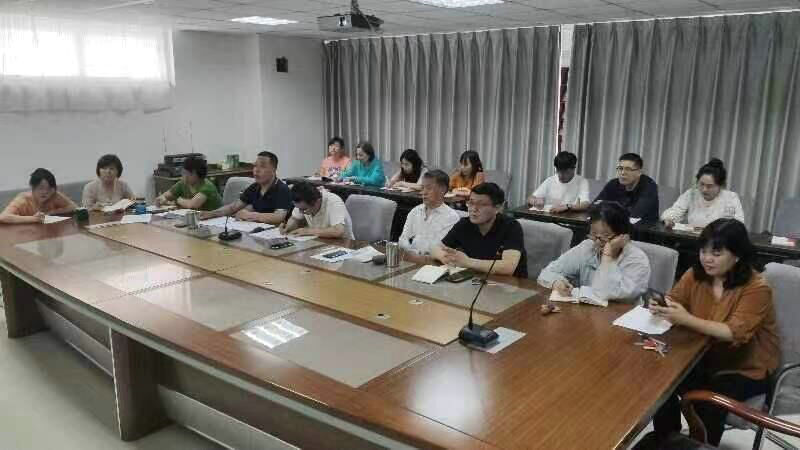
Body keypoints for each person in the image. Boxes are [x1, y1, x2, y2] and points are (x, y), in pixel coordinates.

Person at [635, 219, 779, 449]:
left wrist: (685, 319)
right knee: (661, 380)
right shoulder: (696, 274)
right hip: (705, 355)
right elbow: (675, 298)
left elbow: (733, 332)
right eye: (703, 251)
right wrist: (662, 305)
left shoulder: (757, 288)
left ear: (737, 255)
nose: (706, 258)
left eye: (716, 253)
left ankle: (702, 445)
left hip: (745, 367)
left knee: (710, 398)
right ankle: (668, 438)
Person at [538, 202, 650, 303]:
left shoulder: (637, 260)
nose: (597, 242)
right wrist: (556, 282)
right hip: (588, 314)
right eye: (593, 235)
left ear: (623, 236)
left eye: (604, 237)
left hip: (622, 316)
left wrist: (607, 256)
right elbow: (547, 272)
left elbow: (605, 292)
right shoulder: (588, 246)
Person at [432, 182, 527, 277]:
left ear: (497, 208)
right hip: (476, 280)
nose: (474, 209)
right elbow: (435, 249)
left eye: (481, 205)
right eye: (471, 203)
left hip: (510, 283)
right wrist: (446, 258)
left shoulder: (511, 226)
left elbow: (508, 267)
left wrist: (468, 262)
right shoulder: (464, 224)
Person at [199, 151, 291, 225]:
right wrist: (212, 214)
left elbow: (279, 217)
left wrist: (250, 215)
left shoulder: (282, 189)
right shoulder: (254, 187)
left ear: (274, 170)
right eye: (255, 166)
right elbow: (233, 207)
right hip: (257, 230)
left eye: (262, 166)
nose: (256, 170)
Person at [399, 170, 460, 264]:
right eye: (423, 188)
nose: (424, 192)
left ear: (442, 190)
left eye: (428, 188)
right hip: (410, 260)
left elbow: (437, 248)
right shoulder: (415, 211)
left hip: (433, 264)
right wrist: (412, 250)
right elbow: (403, 240)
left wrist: (414, 246)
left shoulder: (451, 217)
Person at [661, 158, 745, 228]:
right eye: (701, 184)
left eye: (709, 186)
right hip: (691, 239)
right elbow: (671, 213)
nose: (704, 190)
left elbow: (739, 226)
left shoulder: (731, 197)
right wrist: (668, 220)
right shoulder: (691, 194)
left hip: (718, 241)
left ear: (721, 185)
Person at [594, 153, 659, 223]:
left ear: (639, 172)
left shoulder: (649, 186)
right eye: (620, 168)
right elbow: (594, 206)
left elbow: (634, 217)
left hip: (644, 227)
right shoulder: (613, 183)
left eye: (628, 169)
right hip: (616, 224)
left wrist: (605, 205)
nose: (622, 173)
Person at [280, 181, 354, 239]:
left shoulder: (334, 201)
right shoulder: (302, 200)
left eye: (304, 209)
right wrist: (287, 227)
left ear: (317, 202)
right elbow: (295, 218)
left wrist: (307, 231)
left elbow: (338, 231)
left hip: (343, 244)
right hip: (320, 241)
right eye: (299, 208)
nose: (301, 212)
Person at [0, 168, 77, 224]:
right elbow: (3, 217)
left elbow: (73, 207)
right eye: (41, 188)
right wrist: (34, 219)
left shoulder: (54, 195)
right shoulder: (23, 199)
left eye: (49, 188)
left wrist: (51, 212)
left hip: (47, 233)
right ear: (33, 187)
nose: (45, 192)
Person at [154, 156, 222, 211]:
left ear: (194, 173)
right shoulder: (183, 183)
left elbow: (192, 205)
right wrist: (161, 199)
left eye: (185, 173)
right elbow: (166, 196)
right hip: (198, 219)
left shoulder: (207, 187)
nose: (183, 175)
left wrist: (176, 200)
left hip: (215, 220)